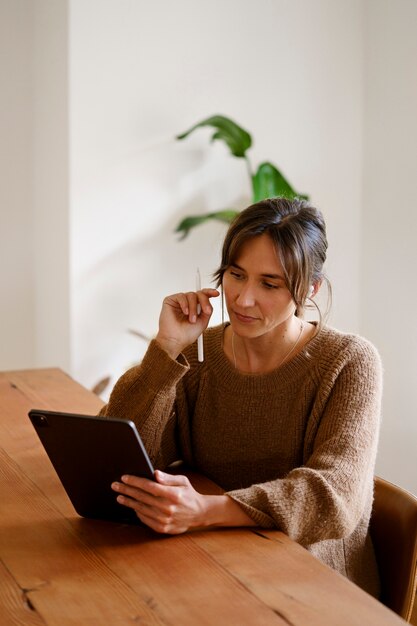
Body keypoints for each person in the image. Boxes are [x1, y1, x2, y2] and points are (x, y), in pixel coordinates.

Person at [100, 197, 382, 597]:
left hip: (315, 583)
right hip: (212, 562)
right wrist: (166, 349)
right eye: (236, 274)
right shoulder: (197, 355)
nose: (243, 299)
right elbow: (122, 452)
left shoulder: (350, 362)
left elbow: (335, 495)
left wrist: (206, 511)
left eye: (270, 284)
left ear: (310, 287)